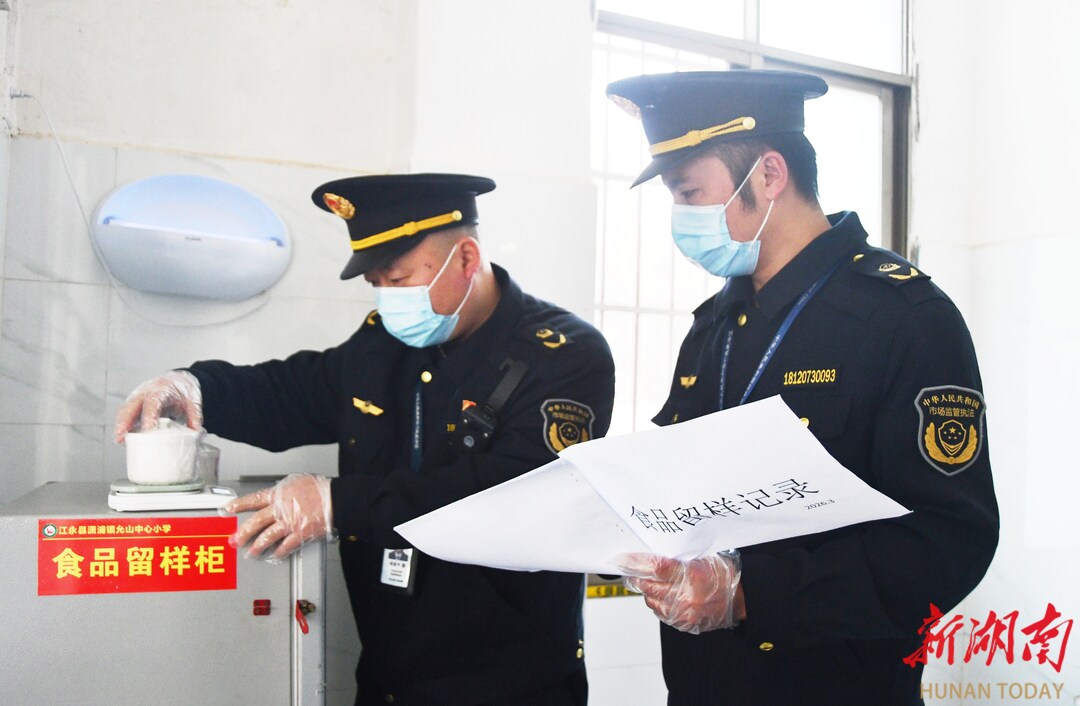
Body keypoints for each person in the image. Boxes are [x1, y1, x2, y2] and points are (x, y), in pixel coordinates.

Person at [114, 173, 615, 705]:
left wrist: (337, 503)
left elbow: (512, 494)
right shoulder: (385, 343)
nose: (388, 298)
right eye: (376, 282)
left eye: (397, 279)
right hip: (388, 674)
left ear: (467, 258)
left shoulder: (563, 355)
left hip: (508, 683)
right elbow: (298, 391)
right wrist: (197, 387)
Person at [604, 70, 998, 705]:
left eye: (690, 192)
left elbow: (949, 541)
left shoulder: (903, 317)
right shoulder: (713, 328)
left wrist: (747, 593)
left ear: (768, 175)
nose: (681, 218)